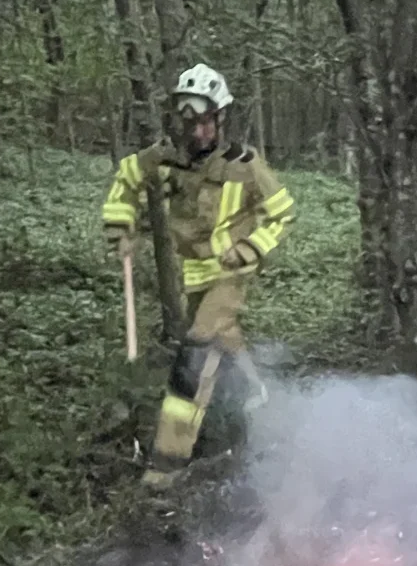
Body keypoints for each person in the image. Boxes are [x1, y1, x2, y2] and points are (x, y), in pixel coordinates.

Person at [102, 64, 295, 489]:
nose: (199, 132)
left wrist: (251, 248)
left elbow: (282, 213)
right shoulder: (167, 157)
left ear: (221, 120)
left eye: (207, 122)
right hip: (195, 275)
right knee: (223, 341)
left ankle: (166, 464)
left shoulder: (245, 166)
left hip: (231, 274)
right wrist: (120, 227)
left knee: (195, 357)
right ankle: (264, 405)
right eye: (191, 122)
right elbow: (127, 177)